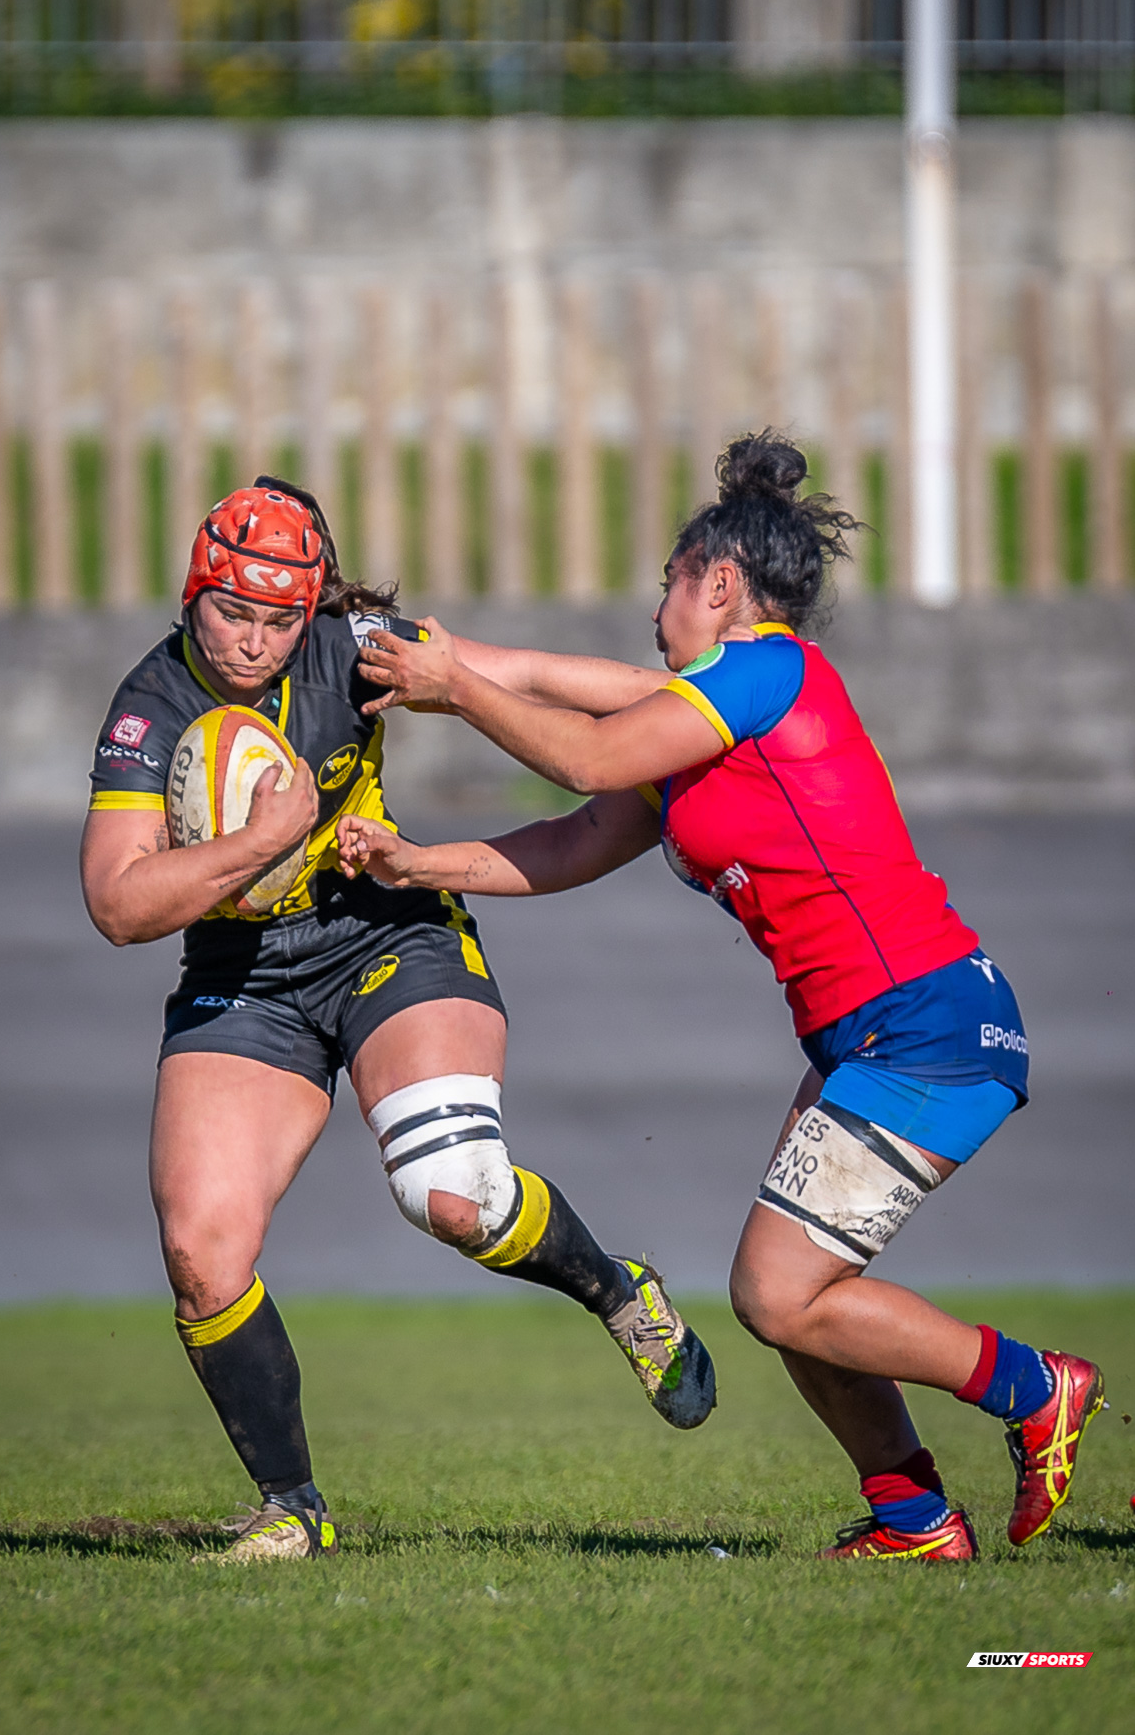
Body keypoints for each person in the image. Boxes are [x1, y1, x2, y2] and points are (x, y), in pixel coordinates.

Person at [341, 431, 1106, 1563]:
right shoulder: (709, 719)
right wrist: (421, 847)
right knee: (800, 1288)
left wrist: (453, 684)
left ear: (720, 585)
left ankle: (1037, 1388)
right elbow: (571, 831)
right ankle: (913, 1519)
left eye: (666, 586)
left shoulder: (764, 666)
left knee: (775, 1291)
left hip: (928, 1026)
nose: (656, 611)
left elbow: (591, 757)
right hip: (872, 1035)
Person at [80, 475, 715, 1565]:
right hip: (246, 977)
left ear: (310, 611)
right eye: (231, 613)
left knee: (453, 1197)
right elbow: (117, 903)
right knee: (200, 1251)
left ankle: (618, 1290)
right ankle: (293, 1505)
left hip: (389, 933)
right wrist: (261, 840)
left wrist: (714, 707)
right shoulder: (152, 706)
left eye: (277, 622)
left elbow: (514, 675)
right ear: (194, 594)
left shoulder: (351, 647)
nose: (250, 643)